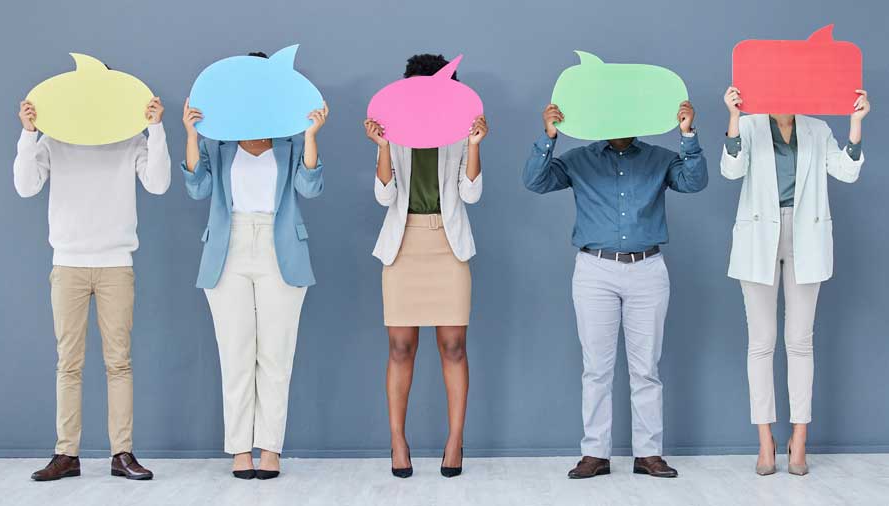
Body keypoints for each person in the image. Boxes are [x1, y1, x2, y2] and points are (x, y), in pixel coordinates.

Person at [523, 101, 707, 479]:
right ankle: (595, 453)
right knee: (596, 369)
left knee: (646, 368)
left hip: (648, 268)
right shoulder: (578, 159)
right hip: (595, 268)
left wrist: (687, 134)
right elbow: (535, 181)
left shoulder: (659, 157)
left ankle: (649, 453)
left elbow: (694, 181)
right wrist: (549, 137)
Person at [181, 51, 328, 480]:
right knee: (236, 354)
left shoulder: (291, 138)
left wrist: (312, 134)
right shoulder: (218, 140)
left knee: (277, 355)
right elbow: (197, 187)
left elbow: (310, 185)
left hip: (280, 248)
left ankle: (271, 449)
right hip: (227, 251)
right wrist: (191, 134)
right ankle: (239, 450)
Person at [14, 89, 170, 481]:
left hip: (116, 262)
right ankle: (66, 453)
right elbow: (25, 185)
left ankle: (122, 453)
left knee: (119, 363)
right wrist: (29, 134)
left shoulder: (129, 138)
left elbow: (159, 183)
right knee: (69, 364)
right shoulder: (55, 138)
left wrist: (156, 130)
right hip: (67, 263)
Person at [721, 87, 869, 476]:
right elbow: (731, 170)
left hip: (807, 238)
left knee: (800, 342)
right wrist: (733, 117)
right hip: (758, 239)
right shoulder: (751, 126)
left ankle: (799, 438)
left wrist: (855, 124)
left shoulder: (817, 129)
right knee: (762, 342)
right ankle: (766, 440)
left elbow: (846, 171)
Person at [364, 53, 488, 479]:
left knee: (453, 346)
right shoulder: (394, 132)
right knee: (401, 348)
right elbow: (384, 198)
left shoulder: (458, 132)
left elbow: (470, 195)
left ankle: (455, 442)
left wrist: (473, 147)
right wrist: (382, 149)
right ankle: (398, 442)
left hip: (448, 244)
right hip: (403, 245)